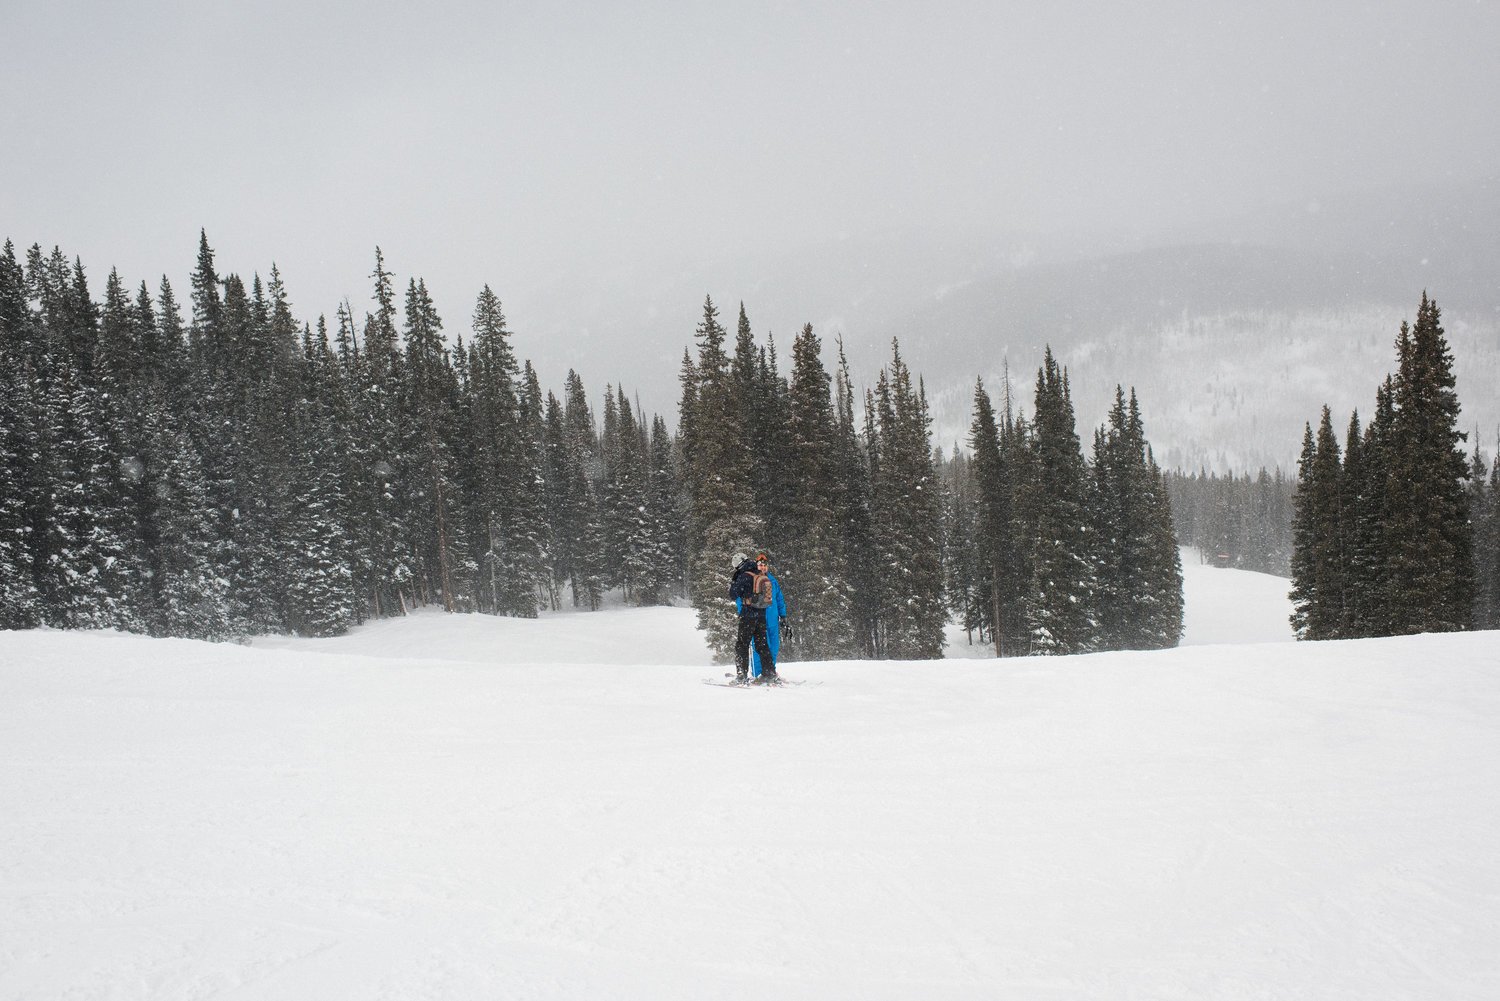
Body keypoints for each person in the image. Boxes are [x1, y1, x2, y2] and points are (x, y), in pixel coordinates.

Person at [729, 551, 777, 685]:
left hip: (748, 615)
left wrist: (734, 580)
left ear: (739, 564)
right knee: (762, 645)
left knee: (742, 645)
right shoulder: (759, 573)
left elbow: (733, 594)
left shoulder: (744, 576)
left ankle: (741, 675)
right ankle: (770, 673)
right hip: (761, 614)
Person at [749, 553, 788, 681]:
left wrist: (783, 616)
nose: (763, 568)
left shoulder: (772, 580)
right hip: (759, 619)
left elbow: (779, 598)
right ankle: (758, 673)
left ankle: (771, 671)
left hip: (773, 619)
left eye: (765, 565)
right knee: (759, 647)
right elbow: (742, 598)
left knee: (774, 647)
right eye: (760, 565)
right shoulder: (753, 579)